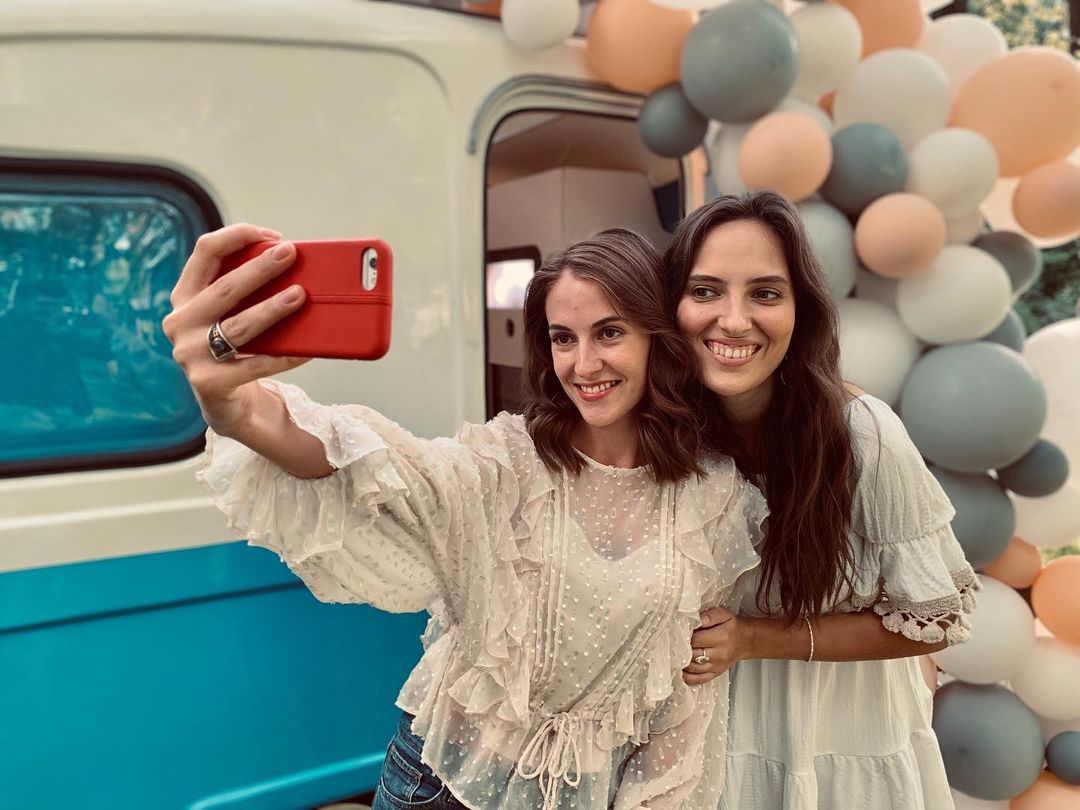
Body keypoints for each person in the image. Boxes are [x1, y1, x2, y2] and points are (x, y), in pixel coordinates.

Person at [163, 224, 766, 809]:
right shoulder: (506, 463)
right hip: (438, 785)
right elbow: (376, 465)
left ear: (658, 339)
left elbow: (685, 700)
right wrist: (241, 411)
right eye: (563, 338)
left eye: (609, 333)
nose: (583, 365)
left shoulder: (715, 498)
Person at [657, 192, 978, 809]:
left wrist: (754, 639)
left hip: (844, 745)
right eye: (705, 291)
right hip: (707, 745)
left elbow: (934, 622)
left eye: (765, 293)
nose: (733, 320)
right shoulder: (667, 437)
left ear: (800, 311)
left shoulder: (863, 434)